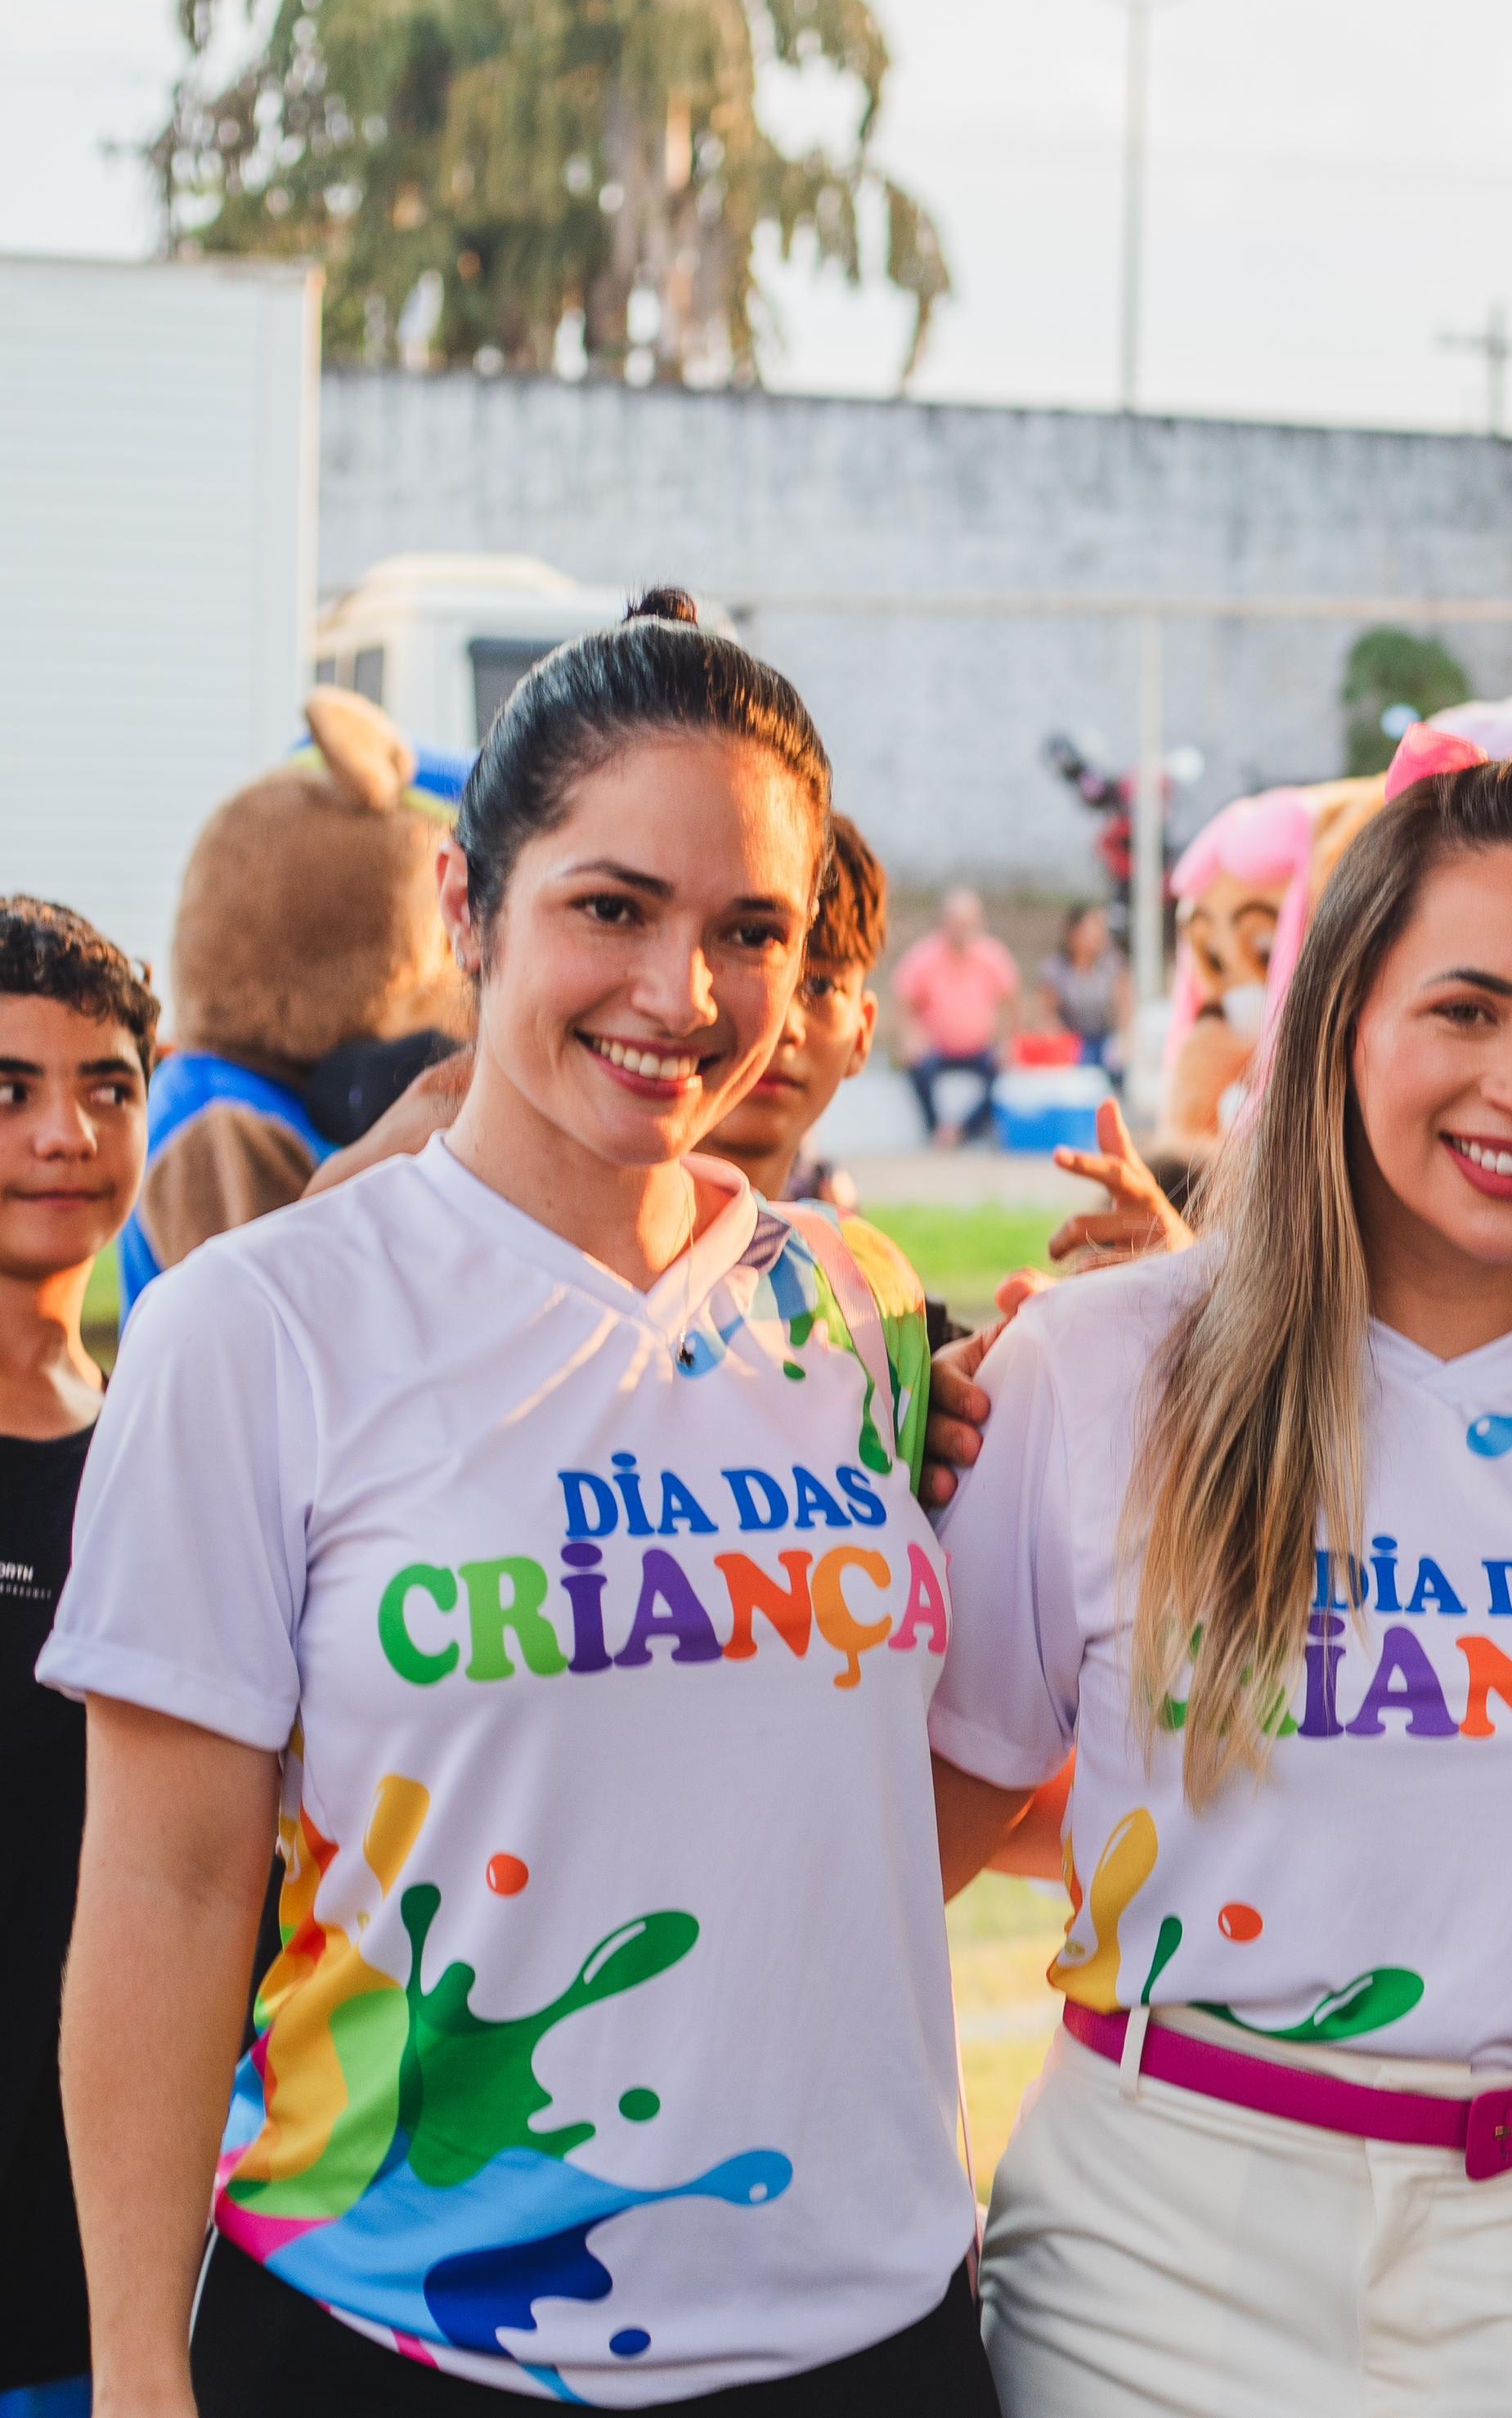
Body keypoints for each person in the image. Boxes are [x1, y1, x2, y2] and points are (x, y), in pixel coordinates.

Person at [44, 593, 995, 2414]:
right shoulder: (262, 1322)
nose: (680, 994)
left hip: (865, 2336)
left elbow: (863, 1803)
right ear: (466, 911)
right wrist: (134, 2372)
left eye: (751, 933)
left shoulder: (855, 1305)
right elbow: (166, 1887)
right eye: (610, 907)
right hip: (398, 2329)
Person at [922, 753, 1512, 2418]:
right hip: (1163, 2242)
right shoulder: (1099, 1368)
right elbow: (904, 1849)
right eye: (1468, 1008)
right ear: (1342, 1016)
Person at [0, 899, 155, 2416]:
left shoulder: (169, 1449)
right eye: (8, 1090)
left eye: (106, 1088)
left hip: (129, 2290)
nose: (65, 1135)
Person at [704, 813, 890, 1208]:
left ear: (862, 1031)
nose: (784, 1024)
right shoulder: (575, 1256)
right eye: (749, 960)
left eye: (820, 986)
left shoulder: (853, 1264)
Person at [894, 886, 1016, 1146]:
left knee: (1006, 1076)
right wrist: (911, 1037)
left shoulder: (993, 956)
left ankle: (963, 1131)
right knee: (919, 1068)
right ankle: (936, 1129)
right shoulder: (923, 956)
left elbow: (1012, 1002)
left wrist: (1008, 1041)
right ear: (943, 923)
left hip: (981, 1049)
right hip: (937, 1048)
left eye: (967, 923)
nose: (961, 930)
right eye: (956, 923)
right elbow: (904, 1002)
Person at [1039, 901, 1125, 1077]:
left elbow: (1124, 1009)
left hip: (1106, 1040)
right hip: (1072, 1043)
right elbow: (1049, 1016)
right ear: (1074, 934)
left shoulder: (1112, 965)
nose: (1097, 937)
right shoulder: (1055, 970)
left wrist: (1123, 1040)